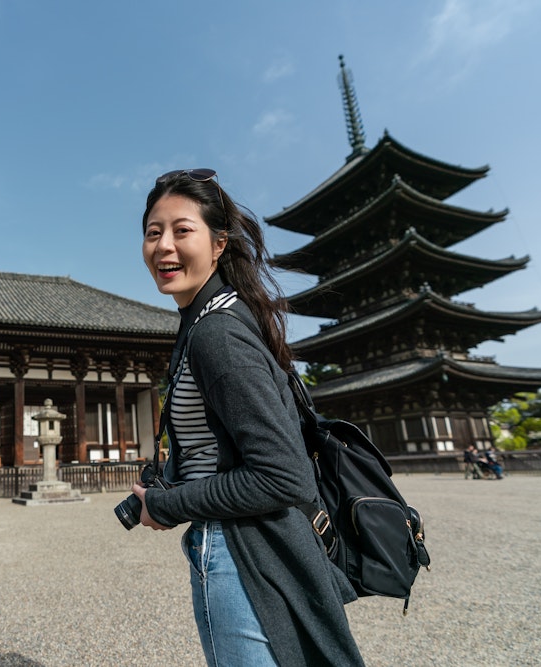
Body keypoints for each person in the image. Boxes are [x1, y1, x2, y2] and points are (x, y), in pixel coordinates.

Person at [131, 168, 364, 666]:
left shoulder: (217, 332)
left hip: (243, 551)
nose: (164, 246)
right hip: (257, 545)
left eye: (181, 230)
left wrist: (167, 506)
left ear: (218, 244)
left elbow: (282, 475)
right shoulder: (217, 318)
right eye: (153, 232)